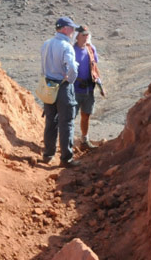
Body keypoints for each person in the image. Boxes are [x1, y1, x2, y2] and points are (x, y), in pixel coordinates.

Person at [40, 16, 79, 167]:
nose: (73, 31)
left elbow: (43, 67)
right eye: (71, 28)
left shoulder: (46, 43)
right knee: (66, 122)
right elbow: (73, 68)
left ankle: (48, 154)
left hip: (48, 84)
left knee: (50, 120)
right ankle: (66, 158)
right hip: (62, 86)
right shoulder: (66, 46)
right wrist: (69, 80)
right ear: (64, 29)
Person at [73, 25, 104, 149]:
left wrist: (100, 85)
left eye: (87, 35)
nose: (86, 37)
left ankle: (84, 139)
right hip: (74, 90)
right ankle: (67, 142)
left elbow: (94, 68)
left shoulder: (91, 49)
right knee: (70, 117)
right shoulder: (71, 50)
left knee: (86, 115)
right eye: (83, 35)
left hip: (88, 89)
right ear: (77, 36)